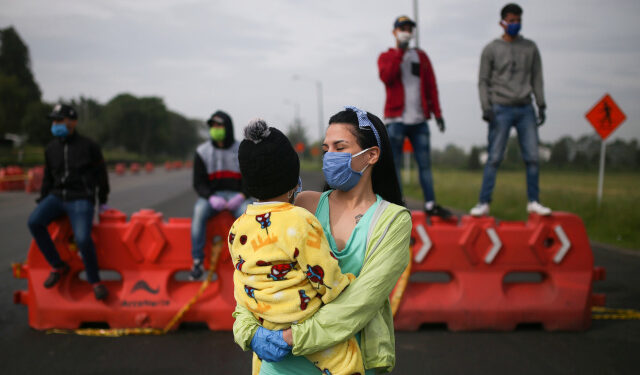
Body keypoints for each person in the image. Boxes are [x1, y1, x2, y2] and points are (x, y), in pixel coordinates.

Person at [232, 106, 412, 375]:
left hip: (349, 362)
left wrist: (291, 338)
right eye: (326, 149)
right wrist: (247, 331)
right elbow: (254, 273)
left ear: (372, 155)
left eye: (340, 147)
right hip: (279, 365)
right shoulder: (303, 204)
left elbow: (361, 302)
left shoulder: (392, 220)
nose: (329, 157)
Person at [231, 118, 364, 375]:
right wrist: (346, 284)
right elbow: (321, 273)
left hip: (264, 321)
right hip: (303, 319)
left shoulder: (237, 227)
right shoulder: (300, 220)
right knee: (347, 361)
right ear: (294, 182)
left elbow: (242, 277)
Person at [470, 3, 551, 216]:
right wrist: (486, 107)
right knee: (494, 157)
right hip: (500, 108)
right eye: (511, 20)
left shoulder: (530, 47)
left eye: (518, 21)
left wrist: (541, 104)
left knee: (532, 157)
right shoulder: (491, 49)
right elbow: (483, 81)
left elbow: (537, 78)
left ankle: (534, 201)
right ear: (502, 22)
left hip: (526, 108)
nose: (515, 24)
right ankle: (483, 203)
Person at [27, 103, 110, 301]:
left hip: (80, 198)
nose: (55, 124)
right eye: (54, 121)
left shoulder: (89, 146)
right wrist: (43, 198)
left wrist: (102, 199)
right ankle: (57, 265)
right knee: (34, 222)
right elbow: (48, 176)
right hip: (56, 197)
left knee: (82, 238)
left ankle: (95, 280)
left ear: (72, 122)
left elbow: (101, 174)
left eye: (59, 120)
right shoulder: (51, 148)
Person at [378, 15, 451, 219]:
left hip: (419, 121)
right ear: (394, 32)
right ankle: (397, 206)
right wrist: (399, 53)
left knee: (425, 164)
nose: (406, 31)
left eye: (409, 29)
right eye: (402, 28)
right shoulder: (387, 56)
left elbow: (431, 86)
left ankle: (430, 204)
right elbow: (387, 77)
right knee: (395, 166)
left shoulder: (421, 57)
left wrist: (438, 113)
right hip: (396, 120)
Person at [190, 110, 251, 280]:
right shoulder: (202, 151)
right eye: (213, 126)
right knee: (198, 213)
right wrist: (210, 197)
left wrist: (242, 195)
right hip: (212, 196)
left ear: (227, 127)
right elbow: (198, 182)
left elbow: (250, 179)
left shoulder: (242, 149)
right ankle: (197, 261)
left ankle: (251, 261)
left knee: (251, 216)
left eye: (219, 125)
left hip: (237, 196)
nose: (215, 129)